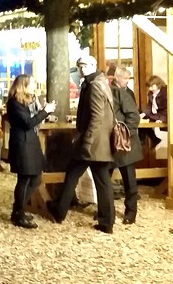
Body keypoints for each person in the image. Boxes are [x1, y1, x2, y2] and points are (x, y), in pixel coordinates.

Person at [49, 55, 116, 234]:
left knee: (74, 175)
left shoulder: (94, 86)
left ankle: (59, 211)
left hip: (92, 143)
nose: (82, 68)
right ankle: (106, 221)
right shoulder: (100, 82)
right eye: (80, 65)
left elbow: (96, 117)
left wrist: (86, 141)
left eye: (85, 65)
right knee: (101, 181)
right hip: (99, 143)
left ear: (93, 65)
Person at [7, 74, 55, 228]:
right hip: (22, 144)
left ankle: (18, 210)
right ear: (23, 85)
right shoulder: (14, 103)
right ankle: (18, 213)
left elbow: (32, 120)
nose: (34, 86)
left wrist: (43, 110)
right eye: (32, 83)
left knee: (35, 178)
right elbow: (28, 123)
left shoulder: (27, 101)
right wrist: (45, 111)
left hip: (29, 142)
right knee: (25, 179)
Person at [110, 67, 143, 225]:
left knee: (129, 180)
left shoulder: (125, 93)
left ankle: (131, 212)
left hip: (124, 143)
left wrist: (125, 132)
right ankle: (106, 210)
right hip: (111, 143)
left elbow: (133, 115)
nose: (127, 82)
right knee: (104, 179)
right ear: (117, 78)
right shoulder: (112, 91)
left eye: (128, 79)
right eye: (125, 79)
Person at [142, 75, 167, 147]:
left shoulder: (165, 93)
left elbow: (167, 109)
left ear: (158, 84)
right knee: (140, 119)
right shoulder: (150, 93)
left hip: (164, 115)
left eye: (152, 86)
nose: (150, 89)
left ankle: (153, 140)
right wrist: (143, 114)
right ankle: (147, 140)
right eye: (149, 87)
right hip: (154, 114)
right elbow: (149, 106)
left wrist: (162, 119)